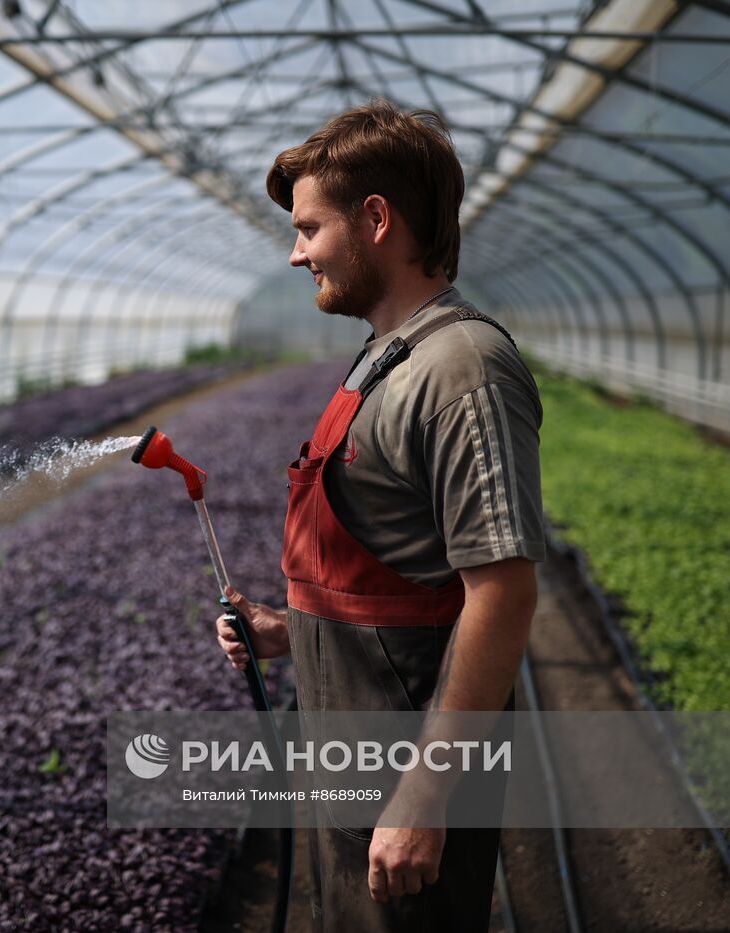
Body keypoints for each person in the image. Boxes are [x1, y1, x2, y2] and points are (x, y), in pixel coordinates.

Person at [215, 100, 545, 932]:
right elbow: (402, 579)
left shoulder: (462, 368)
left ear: (375, 219)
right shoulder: (383, 357)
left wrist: (424, 798)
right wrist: (287, 629)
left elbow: (500, 596)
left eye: (309, 228)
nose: (296, 253)